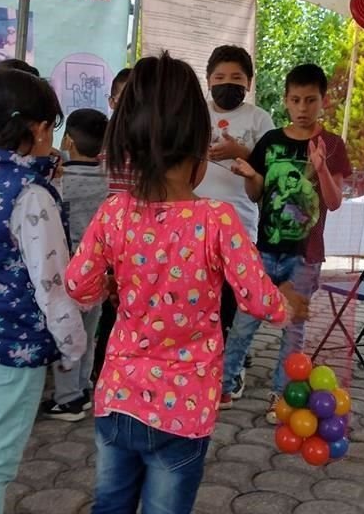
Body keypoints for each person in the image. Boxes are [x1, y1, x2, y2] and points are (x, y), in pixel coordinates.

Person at [64, 52, 305, 514]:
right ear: (199, 147)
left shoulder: (114, 211)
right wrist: (288, 303)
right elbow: (261, 302)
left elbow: (78, 287)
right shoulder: (217, 219)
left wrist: (109, 284)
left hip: (116, 398)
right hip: (184, 411)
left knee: (109, 506)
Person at [0, 68, 87, 514]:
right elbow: (52, 283)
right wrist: (73, 344)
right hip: (16, 350)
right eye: (52, 126)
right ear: (37, 127)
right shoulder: (30, 195)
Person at [223, 63, 352, 424]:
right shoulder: (271, 142)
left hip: (304, 257)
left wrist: (322, 166)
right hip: (265, 248)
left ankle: (282, 395)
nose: (303, 108)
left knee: (293, 329)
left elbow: (334, 201)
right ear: (285, 100)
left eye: (311, 100)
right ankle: (224, 386)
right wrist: (251, 176)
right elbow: (256, 194)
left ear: (323, 101)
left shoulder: (333, 144)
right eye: (296, 99)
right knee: (244, 319)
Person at [194, 46, 275, 390]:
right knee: (199, 293)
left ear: (249, 82)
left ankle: (232, 365)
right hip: (195, 222)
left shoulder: (260, 119)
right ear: (208, 80)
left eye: (237, 78)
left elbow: (273, 170)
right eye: (220, 78)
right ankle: (202, 356)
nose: (228, 84)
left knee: (231, 297)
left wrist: (239, 152)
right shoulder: (194, 114)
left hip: (239, 222)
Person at [41, 108, 110, 421]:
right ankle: (83, 388)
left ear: (67, 138)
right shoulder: (106, 179)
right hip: (97, 270)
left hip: (68, 269)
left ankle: (67, 398)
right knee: (88, 331)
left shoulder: (61, 181)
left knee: (65, 331)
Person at [92, 66, 133, 383]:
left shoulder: (151, 140)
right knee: (106, 304)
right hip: (104, 233)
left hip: (138, 237)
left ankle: (126, 366)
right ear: (111, 101)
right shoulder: (100, 137)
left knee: (130, 303)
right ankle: (101, 368)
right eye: (124, 98)